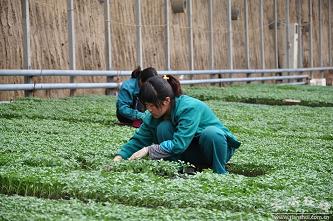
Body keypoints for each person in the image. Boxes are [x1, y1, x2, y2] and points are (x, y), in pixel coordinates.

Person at [113, 75, 241, 174]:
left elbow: (180, 144)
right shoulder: (153, 116)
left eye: (152, 105)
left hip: (215, 149)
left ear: (166, 100)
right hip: (192, 150)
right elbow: (139, 140)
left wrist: (149, 150)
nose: (149, 109)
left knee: (211, 133)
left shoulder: (189, 108)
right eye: (147, 105)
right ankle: (177, 170)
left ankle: (219, 172)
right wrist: (119, 157)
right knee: (163, 127)